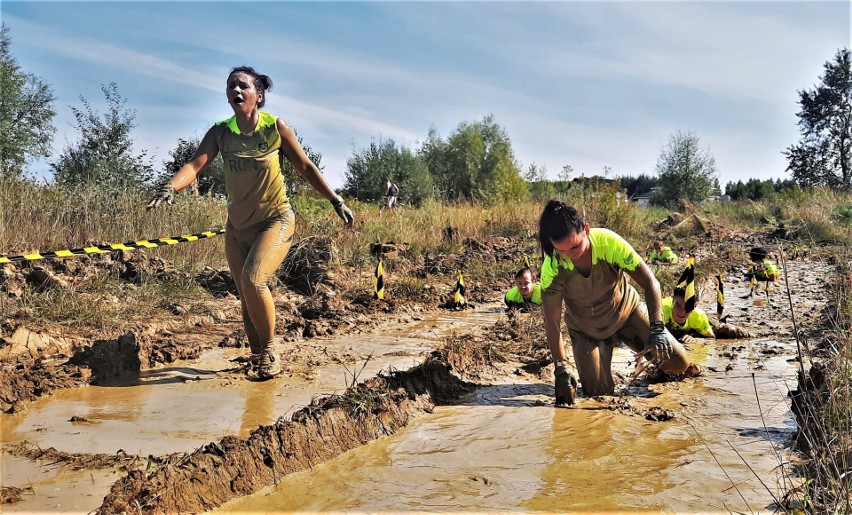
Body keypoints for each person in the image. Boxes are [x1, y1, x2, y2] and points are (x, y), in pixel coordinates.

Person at [147, 66, 354, 380]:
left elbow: (305, 166)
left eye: (243, 86)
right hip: (237, 229)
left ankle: (271, 349)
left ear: (258, 95)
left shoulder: (275, 128)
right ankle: (257, 357)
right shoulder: (221, 132)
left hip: (276, 220)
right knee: (246, 293)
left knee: (253, 280)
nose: (236, 91)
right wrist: (169, 187)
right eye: (231, 86)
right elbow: (195, 164)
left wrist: (335, 200)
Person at [538, 200, 693, 406]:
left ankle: (657, 368)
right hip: (586, 331)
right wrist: (560, 367)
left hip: (628, 315)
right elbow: (552, 320)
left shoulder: (608, 242)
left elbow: (650, 283)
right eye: (562, 250)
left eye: (576, 246)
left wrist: (657, 328)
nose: (570, 255)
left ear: (586, 229)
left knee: (678, 363)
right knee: (596, 394)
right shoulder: (552, 265)